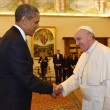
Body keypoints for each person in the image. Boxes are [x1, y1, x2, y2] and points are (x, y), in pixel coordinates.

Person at [0, 4, 57, 110]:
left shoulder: (13, 36)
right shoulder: (15, 41)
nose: (38, 26)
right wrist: (50, 88)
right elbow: (26, 78)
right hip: (13, 103)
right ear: (24, 20)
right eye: (36, 22)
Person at [55, 26, 110, 110]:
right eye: (75, 40)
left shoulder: (106, 53)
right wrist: (62, 86)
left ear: (89, 36)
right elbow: (77, 77)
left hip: (100, 105)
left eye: (79, 39)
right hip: (86, 103)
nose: (76, 43)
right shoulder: (84, 54)